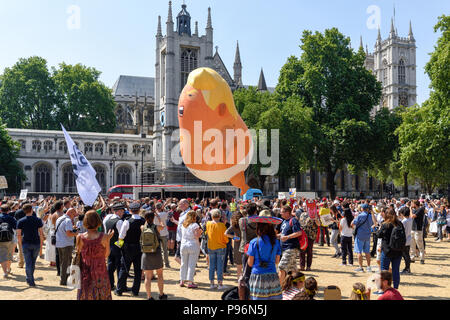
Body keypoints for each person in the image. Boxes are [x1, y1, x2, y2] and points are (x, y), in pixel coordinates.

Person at [76, 210, 114, 300]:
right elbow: (106, 254)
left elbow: (78, 252)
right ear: (98, 221)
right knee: (101, 292)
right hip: (100, 269)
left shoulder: (79, 237)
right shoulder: (104, 237)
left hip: (85, 269)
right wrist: (108, 239)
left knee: (86, 292)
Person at [246, 210, 283, 300]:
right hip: (272, 276)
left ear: (258, 225)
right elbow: (277, 261)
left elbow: (250, 263)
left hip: (258, 276)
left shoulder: (254, 242)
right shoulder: (276, 242)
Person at [115, 202, 145, 297]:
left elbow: (121, 236)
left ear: (130, 210)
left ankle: (119, 290)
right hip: (139, 247)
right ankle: (135, 290)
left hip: (127, 248)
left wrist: (119, 247)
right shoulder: (143, 221)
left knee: (124, 269)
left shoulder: (127, 221)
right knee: (138, 270)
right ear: (139, 210)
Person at [141, 211, 168, 300]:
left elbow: (146, 224)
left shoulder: (142, 227)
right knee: (160, 275)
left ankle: (149, 296)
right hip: (156, 252)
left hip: (146, 253)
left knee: (147, 277)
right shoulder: (157, 227)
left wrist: (146, 219)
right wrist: (159, 218)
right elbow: (163, 225)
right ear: (153, 218)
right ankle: (161, 294)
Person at [376, 208, 405, 289]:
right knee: (396, 271)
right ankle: (395, 288)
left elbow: (379, 235)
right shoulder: (399, 224)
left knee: (384, 271)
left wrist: (379, 228)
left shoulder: (385, 224)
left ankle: (383, 289)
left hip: (387, 250)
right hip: (398, 250)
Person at [15, 204, 43, 286]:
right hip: (36, 243)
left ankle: (30, 279)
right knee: (32, 262)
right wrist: (41, 243)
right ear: (31, 210)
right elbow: (41, 233)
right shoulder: (37, 220)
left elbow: (18, 234)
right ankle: (30, 279)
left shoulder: (20, 221)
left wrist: (20, 244)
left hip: (26, 243)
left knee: (28, 262)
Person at [104, 202, 126, 290]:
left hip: (109, 245)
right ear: (119, 211)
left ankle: (110, 284)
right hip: (117, 246)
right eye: (122, 211)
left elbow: (106, 234)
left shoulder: (107, 220)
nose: (123, 213)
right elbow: (122, 236)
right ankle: (120, 286)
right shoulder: (119, 221)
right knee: (120, 267)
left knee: (110, 266)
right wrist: (120, 247)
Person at [277, 206, 302, 284]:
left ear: (287, 212)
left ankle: (278, 289)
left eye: (282, 212)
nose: (280, 213)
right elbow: (283, 233)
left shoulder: (293, 220)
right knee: (293, 270)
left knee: (281, 267)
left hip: (291, 248)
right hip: (285, 248)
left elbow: (299, 232)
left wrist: (287, 237)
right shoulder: (284, 221)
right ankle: (298, 286)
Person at [205, 209, 229, 290]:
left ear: (212, 216)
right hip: (220, 247)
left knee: (211, 265)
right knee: (220, 266)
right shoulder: (222, 226)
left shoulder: (208, 224)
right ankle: (220, 284)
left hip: (211, 246)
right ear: (220, 216)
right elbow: (226, 238)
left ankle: (212, 283)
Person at [55, 207, 79, 286]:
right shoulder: (68, 220)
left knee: (62, 262)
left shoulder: (60, 218)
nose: (74, 216)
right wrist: (76, 234)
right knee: (66, 262)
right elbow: (68, 234)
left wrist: (72, 229)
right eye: (73, 214)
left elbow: (63, 230)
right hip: (66, 244)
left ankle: (63, 278)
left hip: (59, 243)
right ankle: (64, 280)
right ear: (70, 213)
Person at [179, 210, 202, 288]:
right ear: (194, 217)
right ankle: (190, 282)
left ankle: (182, 280)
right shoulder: (195, 225)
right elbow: (196, 236)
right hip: (192, 244)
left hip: (183, 244)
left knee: (183, 263)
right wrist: (200, 232)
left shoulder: (183, 224)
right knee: (191, 264)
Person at [351, 203, 373, 272]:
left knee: (359, 252)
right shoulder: (370, 216)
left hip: (360, 235)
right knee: (367, 252)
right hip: (367, 235)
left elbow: (353, 223)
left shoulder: (360, 215)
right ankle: (368, 267)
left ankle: (360, 267)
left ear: (362, 209)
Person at [225, 211, 244, 281]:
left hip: (237, 246)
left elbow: (226, 233)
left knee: (238, 267)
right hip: (245, 245)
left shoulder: (233, 226)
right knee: (245, 266)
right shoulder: (244, 224)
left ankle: (239, 282)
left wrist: (234, 237)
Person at [0, 204, 16, 278]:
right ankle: (8, 269)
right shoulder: (11, 218)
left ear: (1, 210)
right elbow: (16, 227)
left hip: (0, 239)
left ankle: (5, 272)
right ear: (8, 210)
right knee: (9, 254)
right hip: (10, 237)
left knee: (2, 255)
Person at [155, 202, 170, 268]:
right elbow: (167, 213)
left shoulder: (154, 214)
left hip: (156, 232)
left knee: (157, 249)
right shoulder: (164, 214)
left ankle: (158, 263)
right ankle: (166, 264)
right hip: (163, 233)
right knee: (165, 250)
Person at [410, 200, 425, 264]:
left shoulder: (420, 209)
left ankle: (422, 258)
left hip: (418, 230)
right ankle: (412, 258)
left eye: (412, 203)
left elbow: (412, 216)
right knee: (412, 245)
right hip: (413, 229)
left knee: (420, 245)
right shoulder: (415, 210)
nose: (411, 205)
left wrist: (410, 209)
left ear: (415, 204)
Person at [339, 202, 354, 266]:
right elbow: (353, 227)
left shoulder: (343, 220)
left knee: (344, 249)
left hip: (344, 235)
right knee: (350, 249)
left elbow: (340, 228)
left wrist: (341, 233)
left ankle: (344, 261)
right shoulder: (352, 219)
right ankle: (351, 262)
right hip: (350, 235)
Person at [399, 206, 412, 274]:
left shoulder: (404, 221)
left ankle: (407, 268)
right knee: (406, 254)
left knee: (405, 255)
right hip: (409, 238)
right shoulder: (410, 219)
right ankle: (407, 268)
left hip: (404, 239)